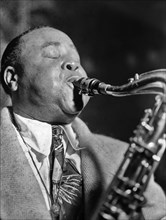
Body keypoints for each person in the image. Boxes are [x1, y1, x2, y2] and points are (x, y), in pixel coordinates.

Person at [0, 26, 165, 220]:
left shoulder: (125, 157)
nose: (73, 64)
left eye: (76, 60)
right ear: (12, 78)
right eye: (52, 55)